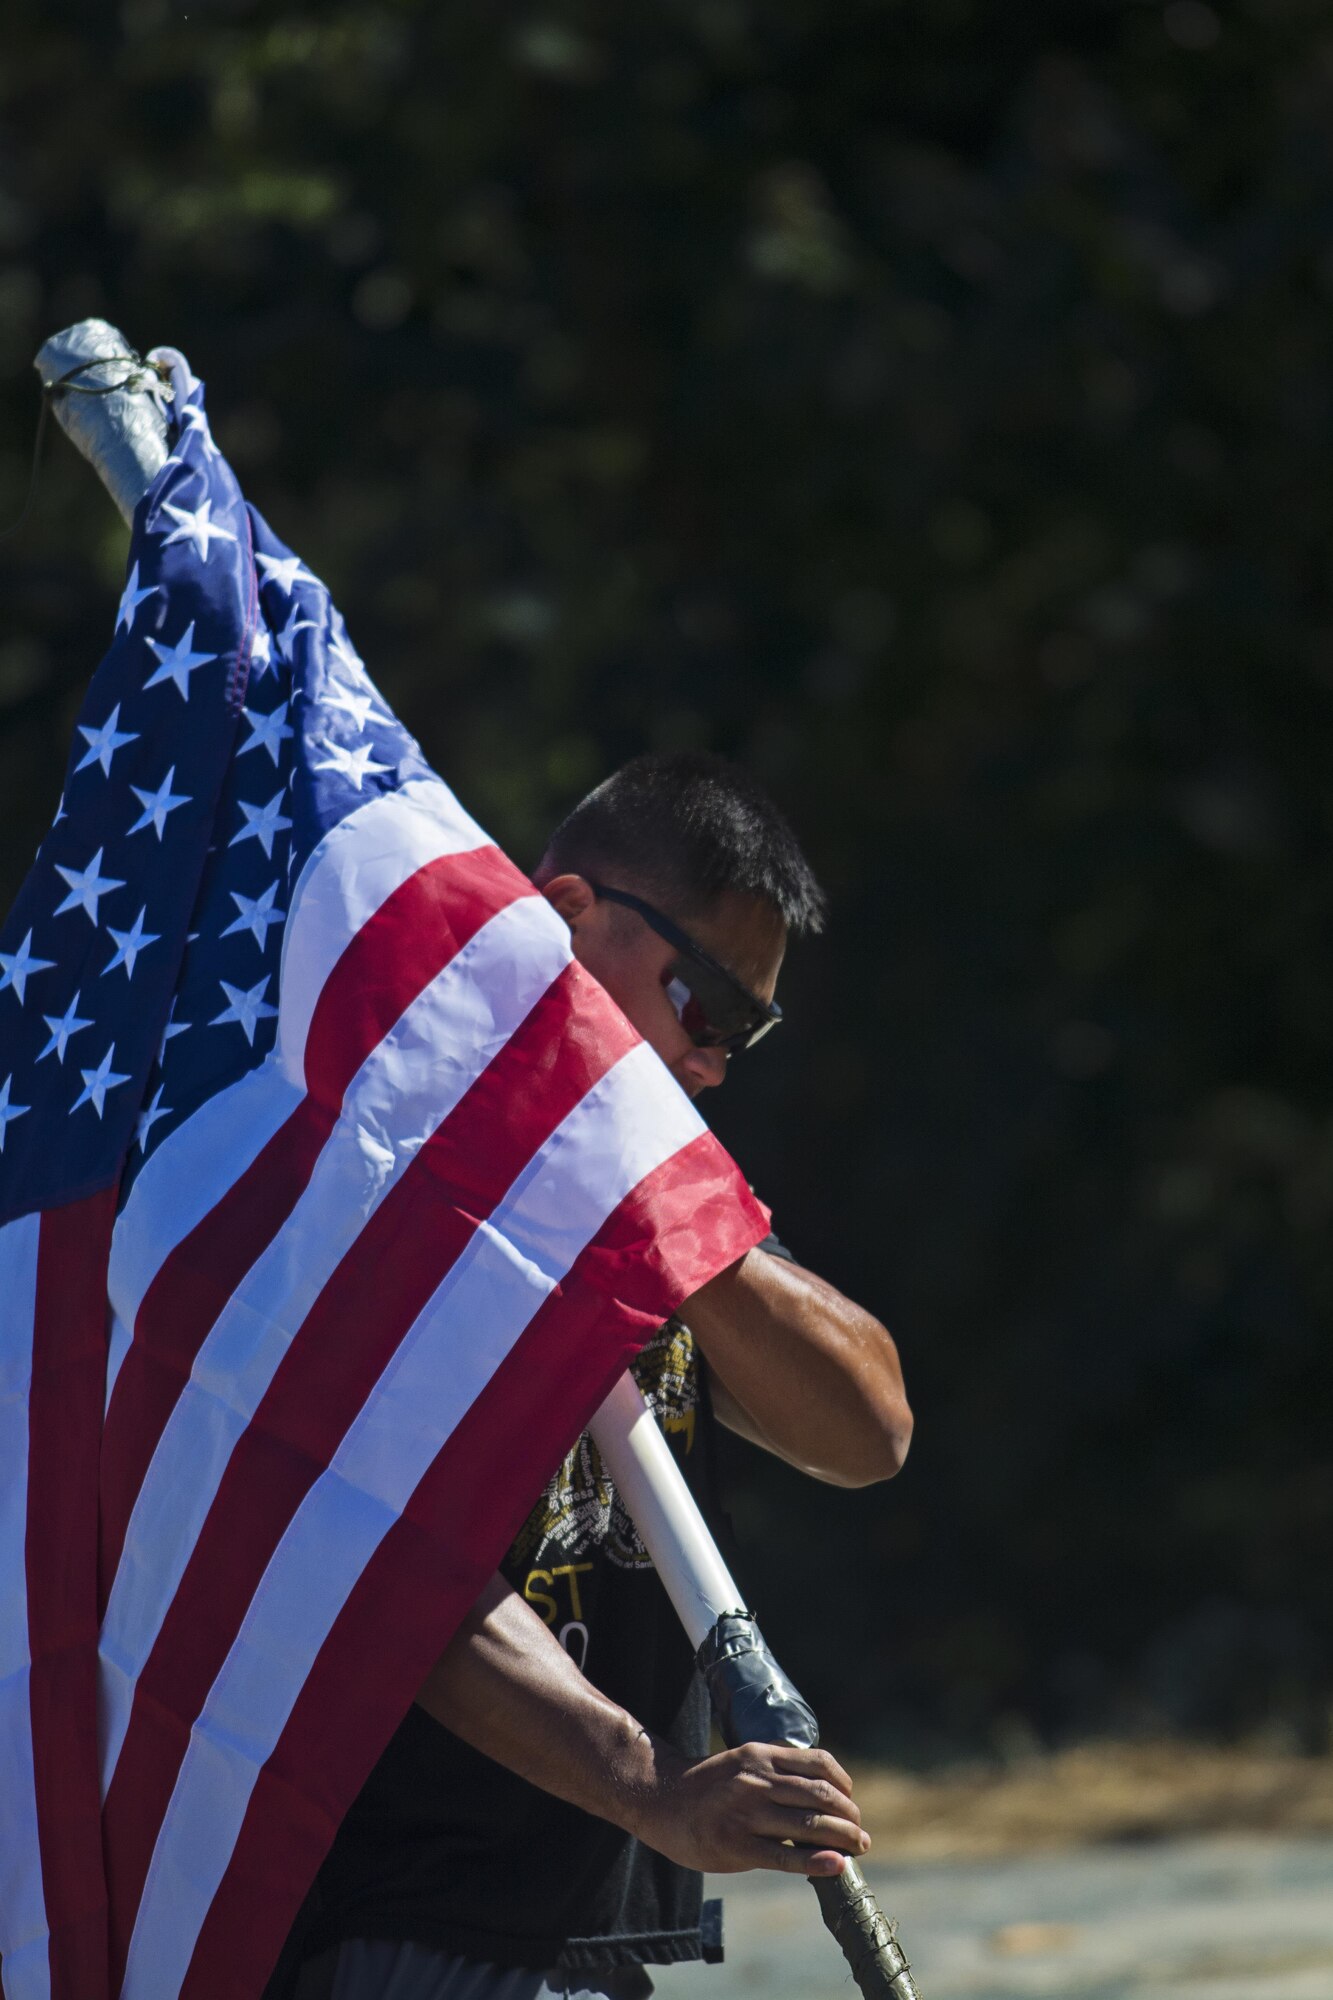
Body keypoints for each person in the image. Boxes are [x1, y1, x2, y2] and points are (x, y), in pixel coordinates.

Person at [270, 751, 913, 2000]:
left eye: (748, 1027)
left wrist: (661, 1198)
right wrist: (648, 1786)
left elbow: (866, 1428)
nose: (717, 1058)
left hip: (578, 1934)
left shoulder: (654, 1192)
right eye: (704, 1000)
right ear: (567, 916)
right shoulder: (397, 1176)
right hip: (410, 1915)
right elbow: (400, 1569)